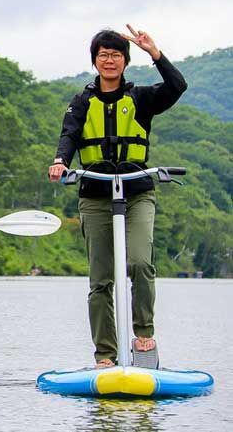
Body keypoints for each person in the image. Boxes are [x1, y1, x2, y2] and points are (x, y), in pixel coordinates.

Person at [47, 25, 187, 368]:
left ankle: (143, 335)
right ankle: (105, 356)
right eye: (103, 55)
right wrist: (60, 161)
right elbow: (68, 136)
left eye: (116, 55)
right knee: (101, 279)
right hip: (95, 194)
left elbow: (177, 87)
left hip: (137, 191)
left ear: (125, 61)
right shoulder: (81, 102)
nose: (109, 60)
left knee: (140, 262)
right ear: (95, 61)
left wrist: (155, 53)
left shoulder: (141, 98)